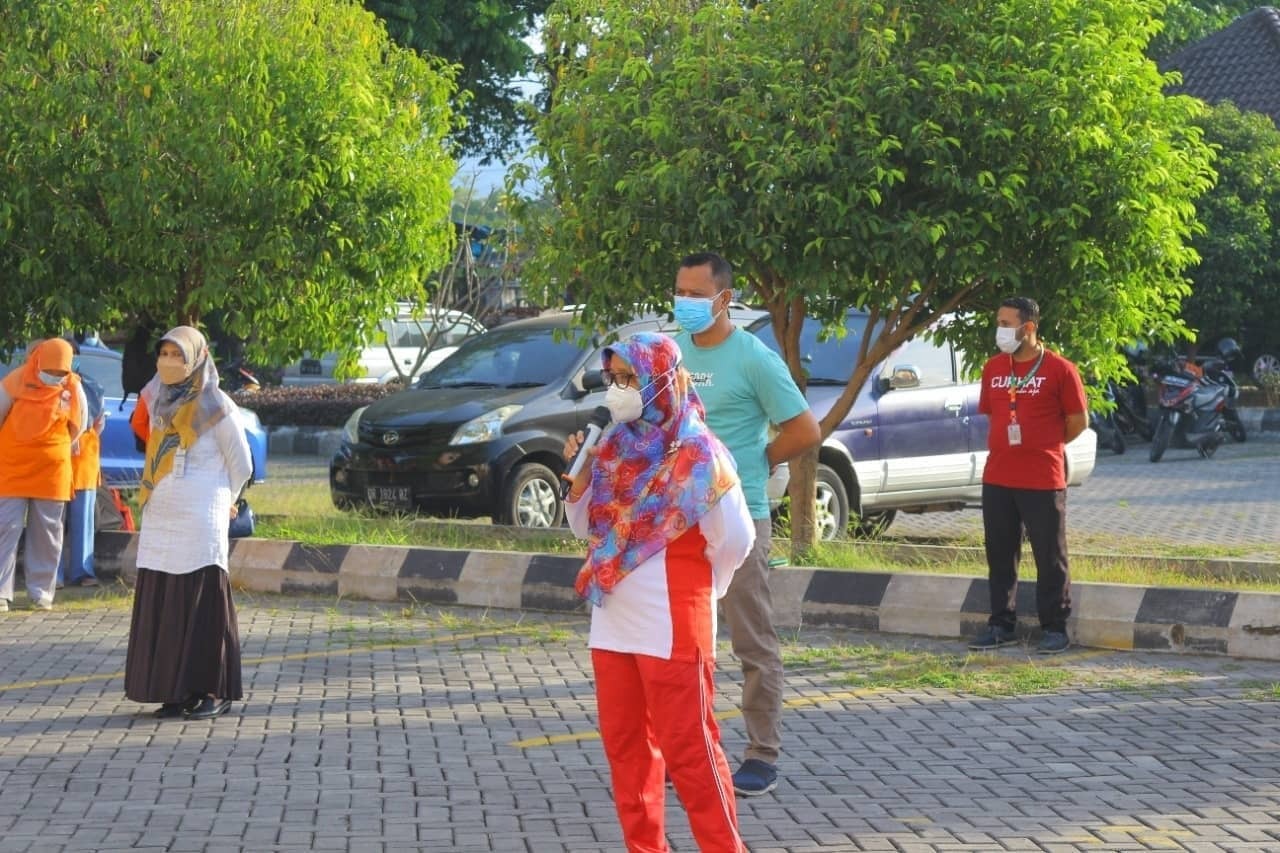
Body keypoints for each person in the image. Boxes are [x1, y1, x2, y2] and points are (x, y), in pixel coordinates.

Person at [562, 332, 755, 853]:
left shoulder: (698, 452)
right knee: (626, 750)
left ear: (661, 381)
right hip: (613, 621)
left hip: (673, 619)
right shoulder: (611, 447)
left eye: (629, 378)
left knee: (689, 751)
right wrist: (579, 482)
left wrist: (707, 588)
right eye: (613, 378)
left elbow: (736, 539)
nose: (618, 389)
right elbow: (587, 529)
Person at [671, 251, 821, 797]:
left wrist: (756, 462)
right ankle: (688, 753)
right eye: (679, 293)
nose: (685, 303)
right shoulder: (671, 354)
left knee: (752, 640)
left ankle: (762, 754)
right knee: (682, 644)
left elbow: (804, 429)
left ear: (724, 298)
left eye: (696, 294)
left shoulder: (754, 357)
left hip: (738, 519)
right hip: (676, 520)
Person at [124, 326, 253, 720]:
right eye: (164, 354)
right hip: (162, 516)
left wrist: (227, 500)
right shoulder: (157, 400)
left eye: (178, 355)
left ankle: (213, 690)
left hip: (200, 517)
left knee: (202, 600)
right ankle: (175, 690)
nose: (168, 362)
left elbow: (242, 464)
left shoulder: (217, 405)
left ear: (197, 359)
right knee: (167, 599)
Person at [968, 297, 1088, 655]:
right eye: (999, 322)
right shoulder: (993, 368)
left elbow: (1078, 421)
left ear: (1029, 327)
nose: (1000, 330)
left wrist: (1046, 443)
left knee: (1049, 556)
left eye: (1006, 324)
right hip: (999, 476)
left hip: (1042, 478)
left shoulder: (1060, 369)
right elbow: (994, 415)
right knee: (1000, 554)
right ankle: (1001, 624)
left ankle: (1054, 627)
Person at [0, 338, 87, 612]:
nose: (55, 376)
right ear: (37, 361)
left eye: (61, 371)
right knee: (6, 527)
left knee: (48, 533)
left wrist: (58, 447)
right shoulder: (15, 381)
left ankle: (41, 594)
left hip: (52, 471)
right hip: (12, 467)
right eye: (50, 370)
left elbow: (80, 424)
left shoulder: (73, 386)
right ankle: (1, 593)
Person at [58, 341, 108, 588]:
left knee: (83, 520)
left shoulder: (90, 387)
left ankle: (82, 572)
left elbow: (98, 424)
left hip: (83, 462)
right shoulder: (50, 387)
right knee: (52, 522)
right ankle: (53, 575)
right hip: (56, 462)